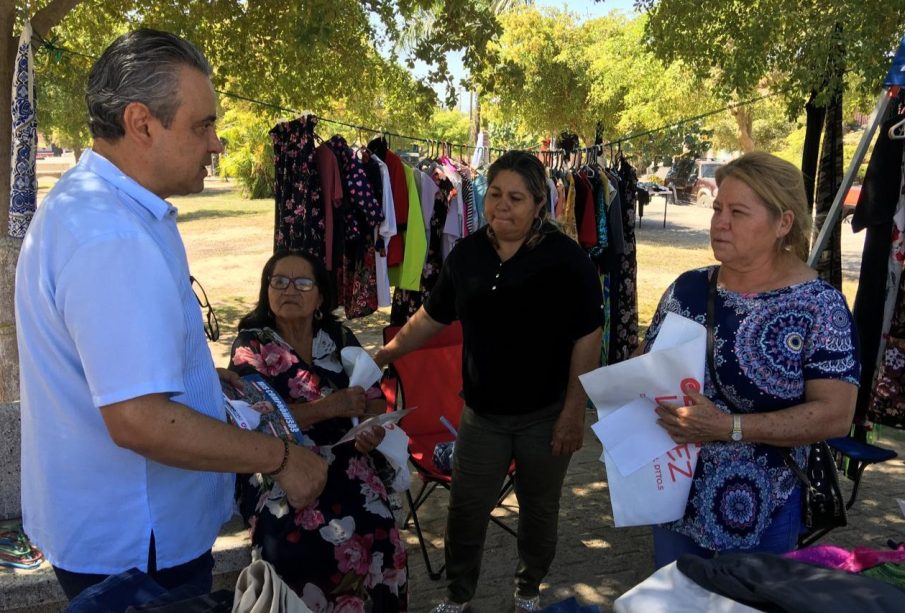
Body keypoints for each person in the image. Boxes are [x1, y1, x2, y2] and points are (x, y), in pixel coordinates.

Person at [14, 29, 327, 603]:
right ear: (141, 123)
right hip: (138, 545)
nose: (217, 144)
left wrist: (200, 381)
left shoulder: (98, 206)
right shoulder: (110, 236)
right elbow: (140, 421)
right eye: (202, 125)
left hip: (118, 531)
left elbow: (112, 368)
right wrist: (283, 458)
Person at [375, 151, 604, 613]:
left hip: (546, 415)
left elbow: (588, 335)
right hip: (481, 415)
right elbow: (433, 316)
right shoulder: (468, 253)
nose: (502, 205)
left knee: (538, 513)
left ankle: (527, 591)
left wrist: (574, 411)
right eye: (495, 194)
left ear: (539, 203)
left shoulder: (566, 259)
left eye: (516, 198)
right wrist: (386, 352)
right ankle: (459, 596)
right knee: (465, 511)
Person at [644, 151, 860, 568]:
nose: (720, 221)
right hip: (672, 498)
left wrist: (729, 427)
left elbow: (835, 416)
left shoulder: (819, 307)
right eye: (718, 208)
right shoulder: (686, 289)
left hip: (765, 513)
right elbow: (644, 370)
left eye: (738, 212)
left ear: (783, 223)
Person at [228, 250, 408, 612]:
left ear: (321, 296)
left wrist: (371, 428)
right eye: (278, 281)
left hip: (348, 456)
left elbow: (371, 394)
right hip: (279, 464)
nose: (289, 290)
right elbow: (255, 420)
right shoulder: (252, 347)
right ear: (267, 291)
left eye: (302, 282)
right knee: (292, 546)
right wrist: (329, 407)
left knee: (380, 531)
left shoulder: (337, 335)